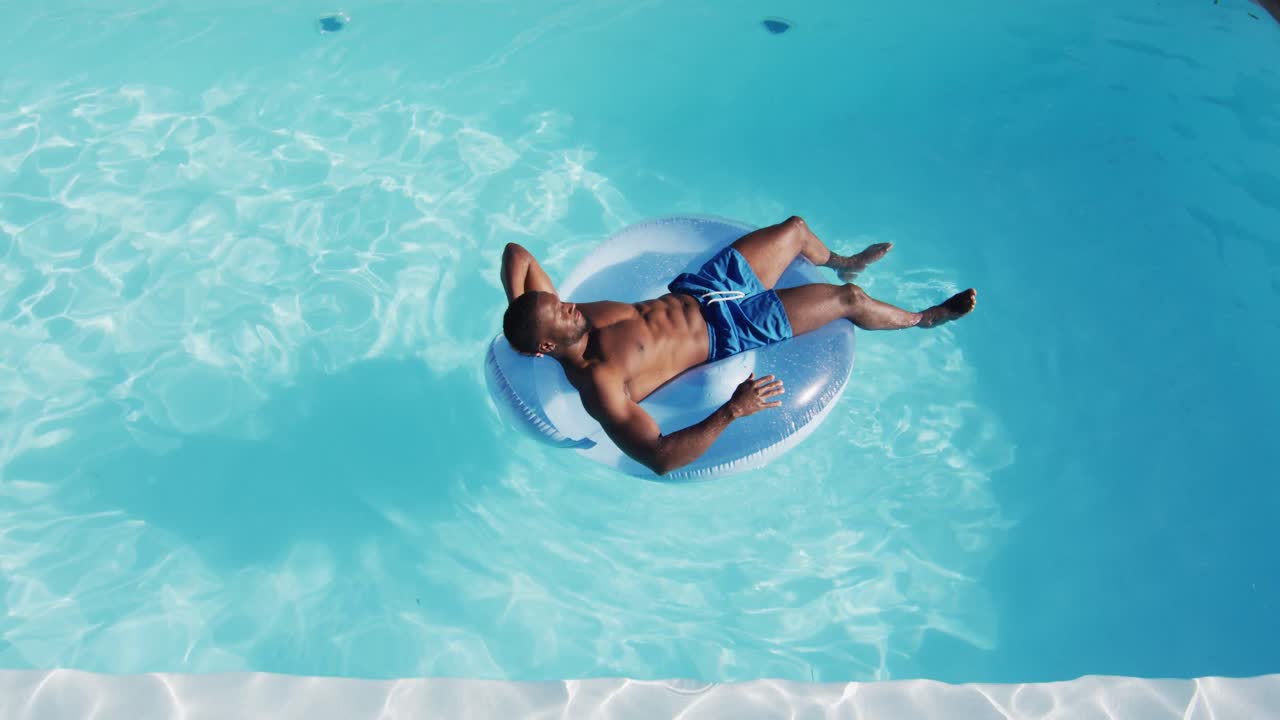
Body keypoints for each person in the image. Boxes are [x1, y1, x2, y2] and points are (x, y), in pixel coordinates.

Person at [501, 216, 976, 475]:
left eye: (558, 303)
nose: (569, 305)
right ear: (547, 346)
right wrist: (732, 411)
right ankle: (923, 319)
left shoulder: (568, 319)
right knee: (846, 301)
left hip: (703, 288)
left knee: (794, 229)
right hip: (731, 328)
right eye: (559, 312)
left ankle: (843, 260)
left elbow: (517, 255)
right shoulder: (599, 380)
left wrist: (522, 313)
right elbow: (660, 459)